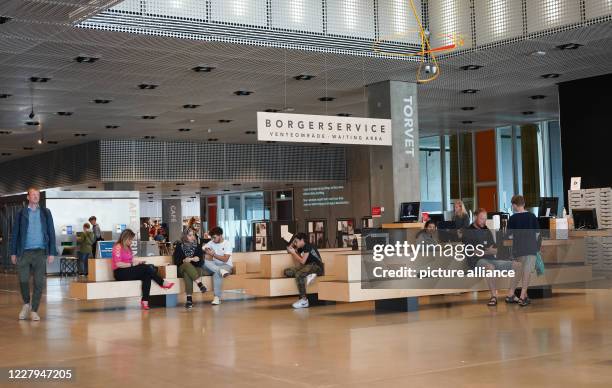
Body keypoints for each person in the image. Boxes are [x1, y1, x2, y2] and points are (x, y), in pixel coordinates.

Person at [9, 187, 57, 321]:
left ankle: (34, 310)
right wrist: (13, 252)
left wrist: (51, 252)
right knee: (23, 280)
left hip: (40, 252)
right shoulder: (21, 213)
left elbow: (51, 233)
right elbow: (15, 234)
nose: (36, 197)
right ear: (28, 197)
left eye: (38, 195)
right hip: (24, 252)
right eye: (33, 195)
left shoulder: (46, 212)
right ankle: (26, 303)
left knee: (39, 283)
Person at [463, 208, 522, 306]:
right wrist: (481, 252)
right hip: (477, 262)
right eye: (482, 219)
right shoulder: (468, 232)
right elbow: (468, 252)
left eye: (485, 219)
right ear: (475, 217)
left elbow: (496, 250)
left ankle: (511, 294)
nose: (484, 222)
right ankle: (494, 296)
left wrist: (492, 251)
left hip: (491, 259)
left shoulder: (487, 230)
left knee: (518, 265)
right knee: (490, 267)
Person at [112, 229, 174, 310]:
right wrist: (132, 264)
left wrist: (139, 262)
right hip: (120, 272)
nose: (131, 242)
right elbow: (118, 264)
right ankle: (161, 282)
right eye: (131, 240)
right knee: (147, 268)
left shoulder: (128, 247)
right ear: (125, 238)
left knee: (147, 274)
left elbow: (131, 259)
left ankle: (145, 301)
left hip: (128, 270)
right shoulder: (117, 247)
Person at [506, 195, 541, 307]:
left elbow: (509, 236)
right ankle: (522, 296)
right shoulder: (532, 216)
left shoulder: (512, 218)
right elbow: (537, 234)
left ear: (515, 205)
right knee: (526, 272)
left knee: (519, 271)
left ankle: (511, 294)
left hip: (518, 249)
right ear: (523, 204)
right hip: (530, 248)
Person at [284, 232, 324, 309]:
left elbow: (302, 261)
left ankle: (304, 300)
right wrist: (293, 243)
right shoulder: (301, 247)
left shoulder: (308, 246)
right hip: (308, 267)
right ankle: (310, 274)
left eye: (296, 241)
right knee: (287, 272)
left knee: (299, 274)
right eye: (294, 241)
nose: (295, 243)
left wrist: (294, 253)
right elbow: (288, 250)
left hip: (317, 267)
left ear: (302, 240)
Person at [174, 228, 207, 309]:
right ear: (185, 236)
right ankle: (199, 284)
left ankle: (189, 299)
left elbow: (201, 263)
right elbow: (176, 262)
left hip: (195, 270)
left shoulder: (198, 246)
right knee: (186, 265)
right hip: (181, 269)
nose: (192, 237)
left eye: (193, 235)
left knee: (187, 274)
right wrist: (183, 260)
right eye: (190, 235)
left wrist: (198, 259)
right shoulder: (179, 247)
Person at [202, 227, 233, 305]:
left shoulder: (227, 244)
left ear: (220, 235)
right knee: (204, 261)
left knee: (217, 274)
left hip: (226, 266)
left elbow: (225, 259)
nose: (213, 239)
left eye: (214, 237)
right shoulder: (212, 242)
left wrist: (213, 254)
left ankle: (217, 297)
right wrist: (207, 251)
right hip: (215, 266)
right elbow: (203, 248)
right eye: (212, 237)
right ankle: (220, 270)